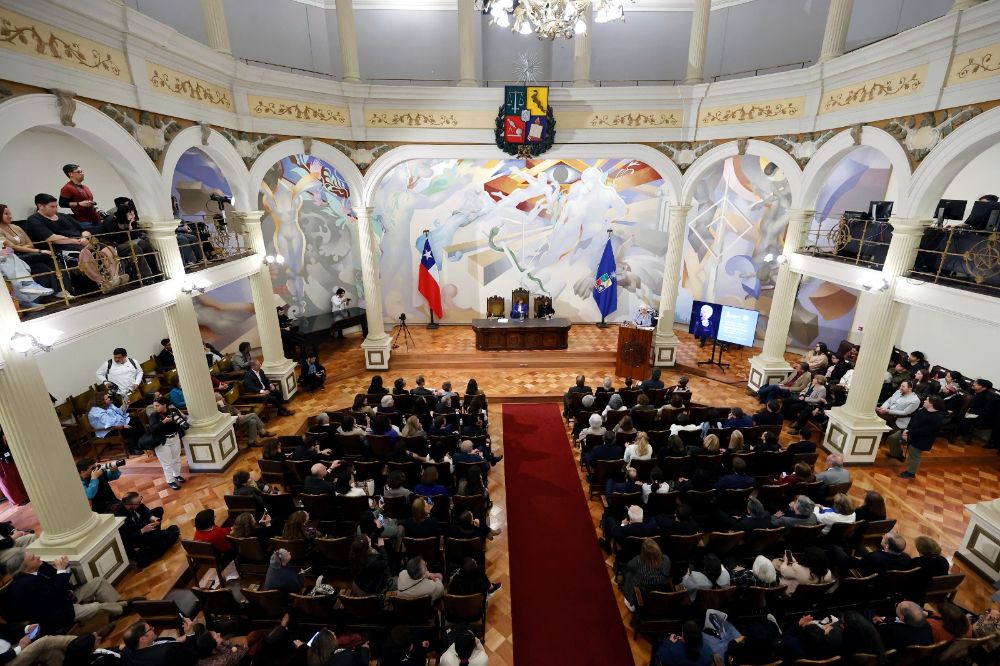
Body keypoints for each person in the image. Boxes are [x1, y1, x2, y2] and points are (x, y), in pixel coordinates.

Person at [7, 551, 127, 634]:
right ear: (24, 569)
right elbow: (56, 595)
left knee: (98, 582)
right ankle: (123, 608)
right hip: (57, 612)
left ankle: (118, 608)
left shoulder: (40, 566)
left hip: (65, 597)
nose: (38, 557)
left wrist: (64, 568)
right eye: (33, 558)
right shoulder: (24, 585)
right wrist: (60, 570)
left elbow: (59, 580)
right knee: (96, 606)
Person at [25, 193, 124, 291]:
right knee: (84, 253)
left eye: (56, 206)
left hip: (82, 241)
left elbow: (83, 229)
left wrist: (85, 237)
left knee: (108, 249)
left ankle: (114, 278)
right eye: (52, 207)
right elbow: (51, 238)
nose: (55, 209)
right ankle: (102, 283)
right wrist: (77, 241)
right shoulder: (34, 220)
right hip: (62, 247)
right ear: (40, 206)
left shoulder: (64, 216)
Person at [1, 202, 71, 297]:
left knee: (52, 261)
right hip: (15, 257)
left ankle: (64, 290)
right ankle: (53, 292)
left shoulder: (16, 227)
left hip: (28, 253)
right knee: (43, 264)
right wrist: (39, 251)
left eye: (10, 213)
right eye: (6, 214)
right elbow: (12, 247)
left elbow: (30, 244)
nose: (10, 216)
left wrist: (21, 248)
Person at [888, 395, 946, 478]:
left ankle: (911, 473)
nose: (924, 401)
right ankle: (896, 454)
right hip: (910, 432)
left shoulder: (938, 418)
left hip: (921, 439)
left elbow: (925, 431)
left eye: (927, 400)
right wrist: (906, 430)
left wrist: (908, 433)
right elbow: (913, 420)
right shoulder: (923, 410)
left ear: (931, 404)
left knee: (914, 454)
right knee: (893, 438)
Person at [115, 492, 179, 568]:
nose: (141, 502)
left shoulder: (135, 504)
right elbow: (126, 538)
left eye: (141, 499)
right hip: (138, 536)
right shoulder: (119, 517)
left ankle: (155, 541)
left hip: (142, 526)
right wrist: (142, 530)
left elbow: (144, 509)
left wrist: (152, 517)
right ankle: (150, 547)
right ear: (129, 505)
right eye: (139, 502)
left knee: (159, 510)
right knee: (174, 531)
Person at [621, 537, 671, 611]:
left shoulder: (638, 561)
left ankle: (631, 601)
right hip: (661, 594)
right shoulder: (666, 559)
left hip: (643, 596)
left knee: (629, 573)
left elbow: (629, 565)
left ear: (643, 553)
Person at [121, 618, 198, 666]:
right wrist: (190, 634)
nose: (153, 628)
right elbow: (192, 658)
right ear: (143, 639)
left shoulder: (126, 651)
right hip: (187, 656)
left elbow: (169, 642)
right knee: (199, 631)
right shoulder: (166, 652)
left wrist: (184, 636)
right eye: (150, 629)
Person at [147, 397, 186, 490]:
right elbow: (152, 429)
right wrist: (163, 422)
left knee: (176, 459)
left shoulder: (173, 411)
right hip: (163, 441)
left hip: (175, 437)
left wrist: (178, 418)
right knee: (166, 463)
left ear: (164, 405)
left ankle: (177, 475)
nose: (155, 407)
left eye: (157, 405)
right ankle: (170, 481)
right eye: (154, 406)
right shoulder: (154, 415)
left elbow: (181, 421)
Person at [57, 164, 103, 228]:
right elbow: (62, 203)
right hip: (84, 222)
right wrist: (79, 204)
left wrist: (100, 217)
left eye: (82, 171)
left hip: (96, 220)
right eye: (79, 172)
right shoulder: (67, 188)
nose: (82, 173)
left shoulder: (85, 187)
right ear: (70, 174)